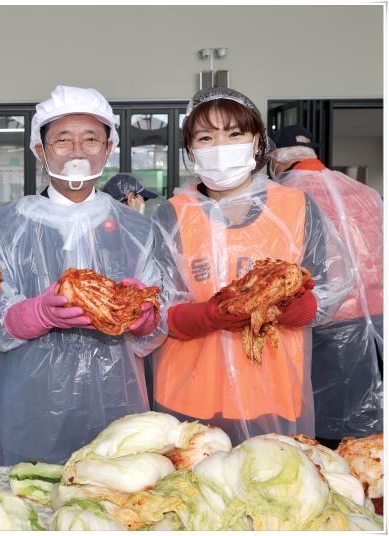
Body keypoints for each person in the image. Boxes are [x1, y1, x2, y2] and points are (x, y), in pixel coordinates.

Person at [0, 86, 167, 466]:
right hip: (29, 406)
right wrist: (34, 314)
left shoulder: (137, 229)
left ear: (108, 148)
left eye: (90, 139)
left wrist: (145, 317)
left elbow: (159, 322)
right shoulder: (3, 227)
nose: (78, 151)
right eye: (63, 140)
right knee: (29, 502)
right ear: (40, 150)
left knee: (113, 498)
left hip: (116, 402)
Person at [151, 88, 352, 445]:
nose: (220, 146)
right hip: (190, 395)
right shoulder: (173, 214)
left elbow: (329, 290)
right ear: (190, 150)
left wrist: (289, 308)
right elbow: (158, 311)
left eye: (234, 134)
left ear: (257, 140)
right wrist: (211, 316)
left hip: (270, 392)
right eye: (205, 137)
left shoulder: (295, 208)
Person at [269, 125, 383, 447]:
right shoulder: (365, 192)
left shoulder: (286, 197)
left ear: (274, 158)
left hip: (325, 324)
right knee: (370, 433)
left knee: (326, 435)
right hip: (378, 322)